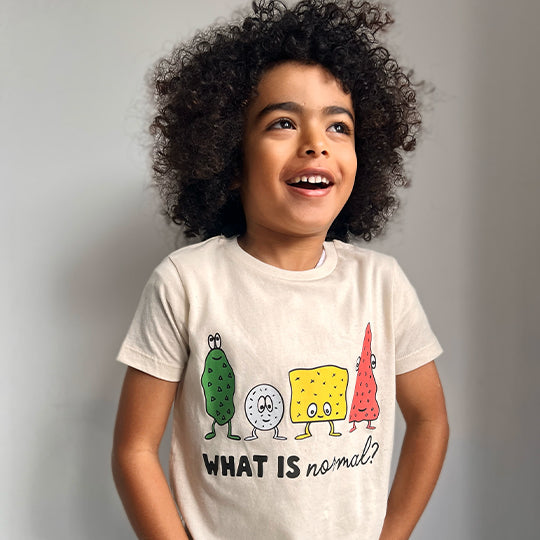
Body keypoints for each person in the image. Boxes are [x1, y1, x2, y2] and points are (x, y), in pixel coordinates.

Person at [111, 1, 449, 539]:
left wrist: (392, 534)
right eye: (284, 123)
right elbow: (133, 448)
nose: (316, 142)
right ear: (230, 162)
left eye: (339, 126)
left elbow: (430, 421)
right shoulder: (186, 283)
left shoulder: (382, 286)